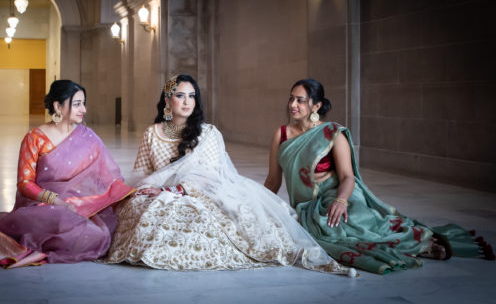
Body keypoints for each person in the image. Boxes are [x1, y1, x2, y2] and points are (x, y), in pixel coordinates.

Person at [106, 74, 355, 276]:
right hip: (160, 192)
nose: (186, 101)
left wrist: (171, 190)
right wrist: (142, 190)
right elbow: (141, 173)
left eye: (192, 96)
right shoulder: (153, 133)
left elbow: (210, 177)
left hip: (199, 193)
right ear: (167, 101)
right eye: (179, 95)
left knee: (189, 213)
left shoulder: (208, 133)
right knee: (140, 206)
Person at [264, 78, 494, 274]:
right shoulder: (281, 134)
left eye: (300, 100)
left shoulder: (333, 133)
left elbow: (347, 177)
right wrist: (258, 207)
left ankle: (418, 242)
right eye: (291, 99)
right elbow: (273, 180)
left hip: (341, 196)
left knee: (360, 226)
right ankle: (414, 243)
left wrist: (341, 200)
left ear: (317, 105)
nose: (293, 105)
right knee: (329, 234)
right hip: (309, 208)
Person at [0, 80, 135, 268]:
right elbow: (24, 183)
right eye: (77, 104)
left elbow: (109, 177)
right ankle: (2, 246)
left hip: (80, 205)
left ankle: (36, 251)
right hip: (43, 205)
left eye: (83, 104)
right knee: (57, 220)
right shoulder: (35, 138)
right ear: (58, 106)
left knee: (99, 235)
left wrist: (118, 194)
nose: (83, 110)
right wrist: (54, 199)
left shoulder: (89, 137)